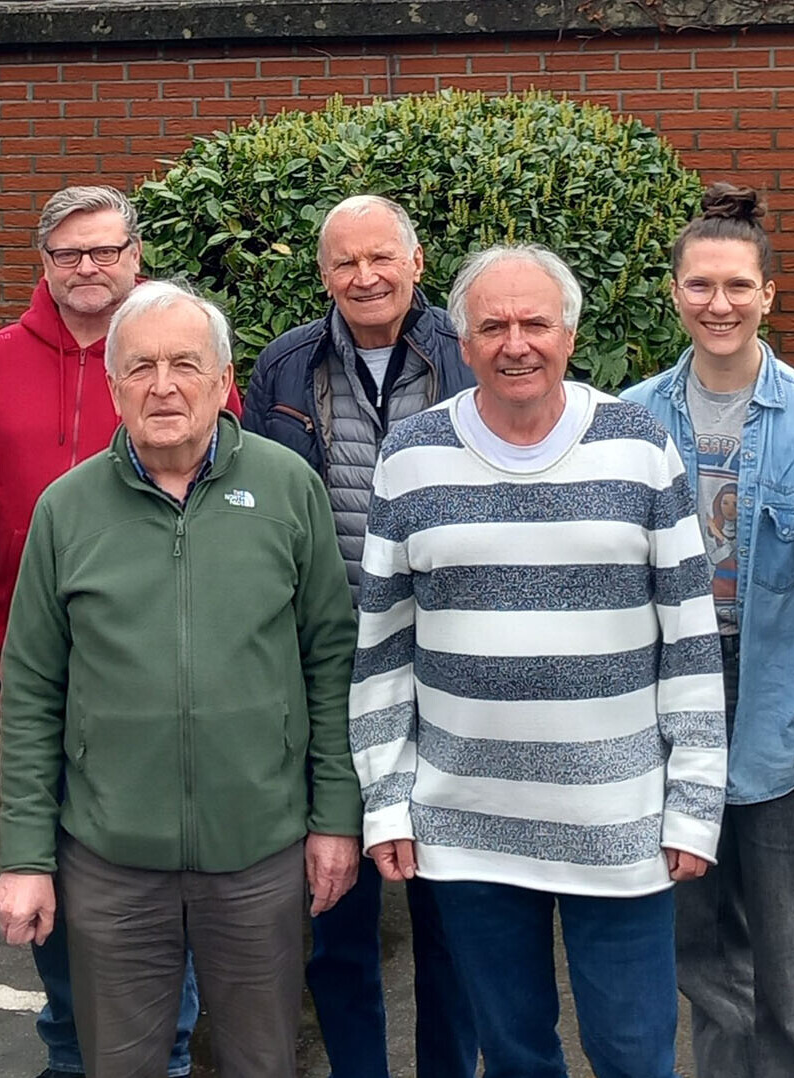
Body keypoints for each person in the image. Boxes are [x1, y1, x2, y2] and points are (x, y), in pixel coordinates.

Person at [351, 244, 726, 1078]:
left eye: (535, 324)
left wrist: (695, 803)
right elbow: (383, 648)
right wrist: (387, 802)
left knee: (634, 1055)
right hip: (465, 825)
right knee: (516, 1055)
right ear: (463, 342)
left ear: (570, 335)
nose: (515, 344)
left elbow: (690, 640)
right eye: (493, 327)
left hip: (619, 823)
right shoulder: (410, 457)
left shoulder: (640, 447)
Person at [0, 281, 360, 1078]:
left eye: (185, 365)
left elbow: (331, 662)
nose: (163, 386)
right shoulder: (66, 509)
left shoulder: (288, 488)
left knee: (262, 1062)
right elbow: (31, 694)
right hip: (111, 860)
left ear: (224, 380)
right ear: (113, 385)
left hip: (259, 850)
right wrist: (25, 854)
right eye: (141, 367)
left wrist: (335, 816)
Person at [0, 185, 234, 1078]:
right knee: (52, 879)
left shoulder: (178, 360)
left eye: (106, 250)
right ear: (44, 263)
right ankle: (71, 1052)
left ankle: (166, 1052)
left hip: (155, 684)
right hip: (26, 678)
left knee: (162, 889)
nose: (88, 267)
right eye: (69, 253)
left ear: (135, 256)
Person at [621, 184, 794, 1078]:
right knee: (701, 944)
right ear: (675, 292)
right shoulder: (632, 419)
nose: (719, 304)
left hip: (781, 698)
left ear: (768, 295)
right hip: (667, 698)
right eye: (700, 285)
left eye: (738, 286)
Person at [241, 193, 477, 1078]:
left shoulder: (467, 351)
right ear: (323, 273)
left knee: (450, 925)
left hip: (451, 673)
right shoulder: (285, 366)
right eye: (345, 261)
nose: (365, 276)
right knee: (337, 916)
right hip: (332, 677)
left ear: (417, 262)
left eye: (382, 257)